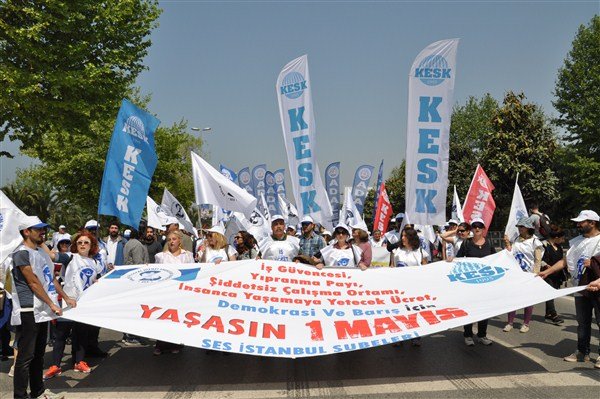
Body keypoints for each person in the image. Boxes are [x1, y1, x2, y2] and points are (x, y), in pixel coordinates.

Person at [10, 216, 64, 399]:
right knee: (25, 357)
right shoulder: (20, 253)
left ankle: (38, 392)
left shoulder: (41, 253)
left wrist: (64, 297)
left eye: (43, 229)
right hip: (28, 310)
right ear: (26, 232)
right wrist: (51, 303)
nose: (43, 232)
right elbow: (33, 282)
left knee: (39, 355)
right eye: (38, 229)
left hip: (42, 310)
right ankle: (19, 396)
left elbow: (50, 278)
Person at [538, 210, 600, 366]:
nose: (578, 225)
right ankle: (582, 352)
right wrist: (547, 272)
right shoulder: (576, 241)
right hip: (580, 287)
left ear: (592, 223)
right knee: (583, 322)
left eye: (581, 222)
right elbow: (565, 262)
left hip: (598, 287)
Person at [43, 231, 104, 379]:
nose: (83, 245)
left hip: (84, 306)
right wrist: (40, 241)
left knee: (82, 334)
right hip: (68, 303)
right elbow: (51, 255)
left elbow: (98, 281)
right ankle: (56, 366)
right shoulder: (70, 257)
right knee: (61, 335)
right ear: (75, 245)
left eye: (86, 242)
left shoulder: (95, 263)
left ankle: (79, 362)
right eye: (79, 242)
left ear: (92, 246)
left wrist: (97, 283)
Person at [153, 230, 195, 356]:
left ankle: (175, 344)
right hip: (165, 293)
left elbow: (193, 272)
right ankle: (160, 344)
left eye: (174, 239)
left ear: (180, 241)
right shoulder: (161, 256)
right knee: (163, 317)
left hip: (180, 293)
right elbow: (157, 273)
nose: (171, 241)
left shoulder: (187, 255)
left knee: (176, 318)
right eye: (169, 239)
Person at [455, 217, 496, 347]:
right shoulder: (466, 243)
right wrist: (451, 260)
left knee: (485, 310)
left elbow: (496, 261)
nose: (477, 228)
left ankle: (482, 335)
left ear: (483, 229)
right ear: (471, 229)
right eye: (474, 226)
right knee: (470, 309)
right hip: (470, 284)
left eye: (480, 226)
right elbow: (458, 261)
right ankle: (468, 335)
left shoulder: (489, 244)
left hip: (485, 283)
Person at [502, 217, 544, 333]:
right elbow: (511, 252)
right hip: (515, 274)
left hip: (528, 275)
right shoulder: (517, 239)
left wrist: (535, 275)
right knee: (512, 299)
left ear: (528, 228)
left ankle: (526, 323)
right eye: (519, 227)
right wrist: (507, 243)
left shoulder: (536, 242)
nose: (519, 229)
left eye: (521, 227)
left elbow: (538, 260)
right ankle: (510, 322)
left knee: (528, 300)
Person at [537, 228, 567, 325]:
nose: (563, 240)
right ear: (556, 237)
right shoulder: (543, 245)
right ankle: (553, 315)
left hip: (557, 274)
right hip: (546, 273)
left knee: (551, 294)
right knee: (549, 293)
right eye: (562, 238)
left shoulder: (559, 246)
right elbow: (538, 258)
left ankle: (548, 314)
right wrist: (545, 265)